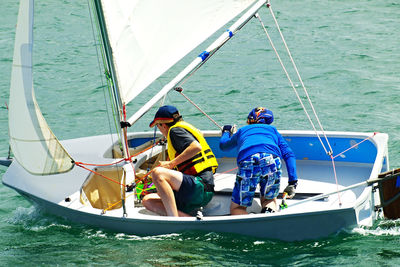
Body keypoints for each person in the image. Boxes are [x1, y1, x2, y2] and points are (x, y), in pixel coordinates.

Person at [219, 107, 298, 215]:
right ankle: (267, 215)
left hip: (249, 161)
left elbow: (224, 146)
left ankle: (248, 222)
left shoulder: (243, 130)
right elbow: (289, 155)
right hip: (272, 160)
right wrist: (292, 182)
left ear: (249, 120)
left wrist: (226, 131)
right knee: (269, 200)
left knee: (237, 208)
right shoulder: (273, 130)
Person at [142, 105, 218, 217]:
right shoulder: (184, 129)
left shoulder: (175, 131)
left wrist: (170, 164)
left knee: (157, 173)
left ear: (163, 124)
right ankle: (186, 219)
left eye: (157, 126)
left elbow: (196, 147)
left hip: (200, 188)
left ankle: (173, 218)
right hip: (196, 191)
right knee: (147, 200)